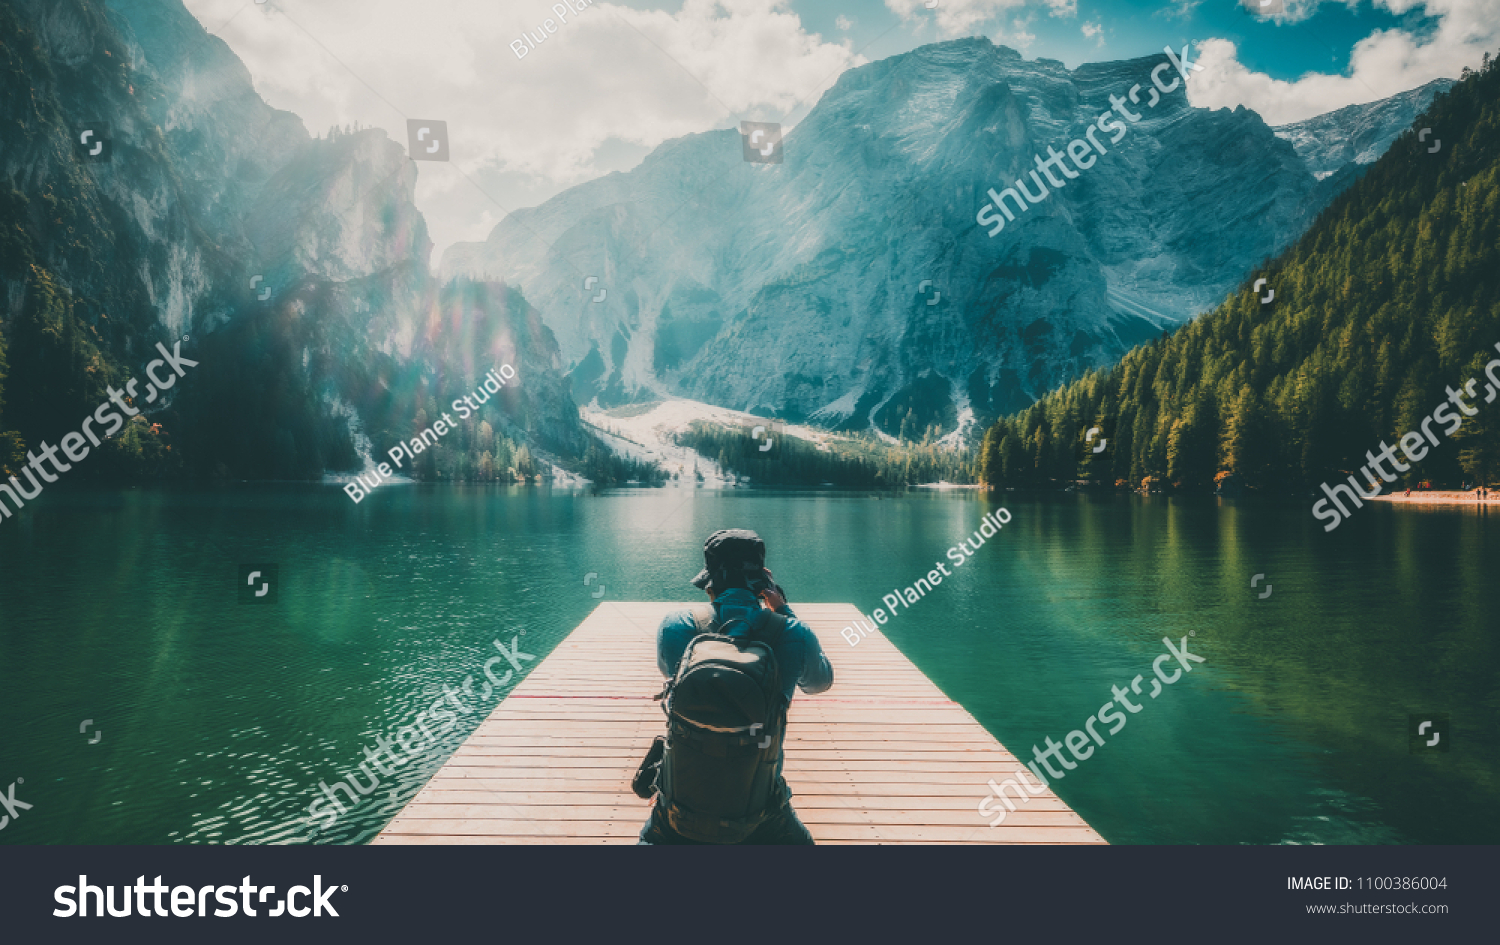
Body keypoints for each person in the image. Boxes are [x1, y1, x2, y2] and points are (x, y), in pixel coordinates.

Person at [638, 528, 833, 844]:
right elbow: (819, 682)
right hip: (758, 808)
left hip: (679, 802)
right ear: (762, 583)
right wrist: (783, 610)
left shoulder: (675, 626)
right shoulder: (792, 632)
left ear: (709, 582)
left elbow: (668, 670)